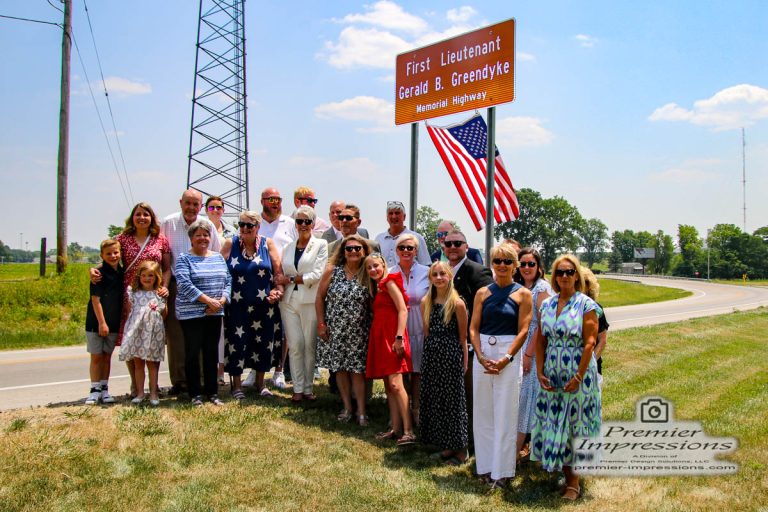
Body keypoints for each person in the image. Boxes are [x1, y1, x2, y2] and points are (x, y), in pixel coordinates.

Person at [531, 255, 601, 501]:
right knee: (554, 422)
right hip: (552, 373)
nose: (564, 276)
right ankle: (564, 473)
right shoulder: (547, 305)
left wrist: (579, 375)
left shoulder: (586, 305)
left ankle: (574, 483)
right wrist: (539, 371)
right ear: (554, 276)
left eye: (569, 272)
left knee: (574, 424)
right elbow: (540, 340)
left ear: (577, 275)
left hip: (578, 374)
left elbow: (590, 343)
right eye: (560, 272)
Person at [91, 202, 172, 397]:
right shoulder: (122, 238)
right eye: (138, 214)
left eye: (146, 214)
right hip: (130, 296)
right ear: (132, 217)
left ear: (152, 217)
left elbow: (167, 268)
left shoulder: (160, 240)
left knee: (151, 338)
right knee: (131, 338)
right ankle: (136, 386)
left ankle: (154, 387)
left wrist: (164, 288)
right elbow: (108, 256)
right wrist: (92, 270)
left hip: (153, 296)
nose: (142, 218)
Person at [469, 243, 532, 488]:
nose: (502, 266)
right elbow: (473, 327)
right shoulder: (483, 293)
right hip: (483, 352)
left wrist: (507, 358)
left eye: (507, 262)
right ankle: (484, 468)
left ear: (515, 265)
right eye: (497, 261)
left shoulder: (522, 294)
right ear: (492, 264)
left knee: (505, 414)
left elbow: (524, 329)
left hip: (508, 354)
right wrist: (480, 354)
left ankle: (503, 472)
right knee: (483, 412)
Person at [162, 189, 221, 395]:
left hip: (206, 287)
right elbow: (163, 254)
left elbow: (216, 255)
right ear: (181, 203)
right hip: (177, 285)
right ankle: (180, 381)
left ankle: (203, 382)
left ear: (201, 206)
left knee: (202, 337)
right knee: (177, 336)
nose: (191, 208)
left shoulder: (208, 226)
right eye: (188, 203)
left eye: (196, 204)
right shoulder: (168, 223)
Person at [220, 211, 285, 399]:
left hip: (265, 306)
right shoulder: (229, 244)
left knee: (264, 342)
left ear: (258, 227)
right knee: (237, 343)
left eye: (250, 225)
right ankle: (237, 386)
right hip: (237, 307)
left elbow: (278, 273)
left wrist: (278, 290)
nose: (245, 229)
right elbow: (218, 270)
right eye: (242, 225)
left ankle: (260, 383)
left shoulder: (268, 244)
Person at [315, 234, 372, 425]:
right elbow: (319, 298)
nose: (353, 251)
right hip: (335, 329)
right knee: (339, 369)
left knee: (357, 371)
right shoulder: (332, 271)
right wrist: (321, 323)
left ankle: (362, 411)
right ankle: (347, 407)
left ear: (364, 251)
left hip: (360, 331)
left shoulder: (368, 272)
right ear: (343, 251)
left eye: (357, 248)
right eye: (349, 248)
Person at [443, 229, 493, 445]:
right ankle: (453, 438)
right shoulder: (441, 271)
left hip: (468, 344)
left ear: (466, 246)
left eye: (457, 243)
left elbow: (485, 308)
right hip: (445, 341)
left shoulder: (478, 272)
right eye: (448, 244)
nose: (452, 247)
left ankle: (472, 442)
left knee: (469, 395)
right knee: (451, 394)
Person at [274, 205, 328, 401]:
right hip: (289, 301)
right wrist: (287, 281)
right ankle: (297, 388)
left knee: (308, 344)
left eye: (307, 221)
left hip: (310, 301)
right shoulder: (288, 247)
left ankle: (307, 388)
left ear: (313, 224)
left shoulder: (320, 245)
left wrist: (290, 279)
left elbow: (316, 275)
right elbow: (281, 272)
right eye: (299, 221)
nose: (303, 225)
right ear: (295, 224)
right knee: (295, 344)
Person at [174, 220, 231, 406]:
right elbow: (184, 284)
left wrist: (222, 300)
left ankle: (212, 392)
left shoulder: (218, 257)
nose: (202, 238)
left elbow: (228, 280)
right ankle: (195, 394)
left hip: (215, 313)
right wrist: (208, 301)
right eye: (198, 235)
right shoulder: (184, 258)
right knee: (192, 353)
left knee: (211, 353)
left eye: (206, 235)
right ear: (191, 238)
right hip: (192, 314)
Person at [419, 261, 469, 465]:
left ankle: (462, 450)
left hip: (451, 356)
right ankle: (446, 445)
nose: (439, 277)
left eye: (442, 274)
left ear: (449, 276)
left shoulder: (457, 304)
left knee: (454, 403)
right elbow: (426, 332)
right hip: (432, 355)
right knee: (437, 400)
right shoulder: (426, 302)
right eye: (435, 274)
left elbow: (463, 337)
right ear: (430, 278)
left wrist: (464, 362)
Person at [363, 252, 415, 445]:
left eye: (376, 265)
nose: (373, 270)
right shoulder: (377, 287)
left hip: (394, 338)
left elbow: (402, 309)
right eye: (369, 268)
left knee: (396, 385)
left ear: (384, 265)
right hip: (380, 338)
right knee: (388, 387)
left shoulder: (389, 283)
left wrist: (399, 337)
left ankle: (409, 431)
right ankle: (395, 428)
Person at [514, 247, 553, 462]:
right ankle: (523, 451)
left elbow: (542, 324)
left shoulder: (542, 288)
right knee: (521, 400)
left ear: (539, 267)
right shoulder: (519, 286)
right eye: (523, 264)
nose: (527, 267)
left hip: (534, 349)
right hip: (518, 344)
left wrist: (528, 354)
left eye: (531, 264)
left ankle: (518, 454)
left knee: (528, 401)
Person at [255, 187, 296, 389]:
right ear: (262, 201)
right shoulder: (254, 222)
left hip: (285, 282)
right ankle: (256, 369)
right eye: (271, 199)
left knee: (284, 328)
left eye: (278, 199)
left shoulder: (290, 223)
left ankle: (279, 370)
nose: (275, 203)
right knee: (258, 325)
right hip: (258, 282)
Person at [389, 233, 429, 425]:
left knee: (417, 372)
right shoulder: (389, 272)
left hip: (420, 325)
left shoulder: (426, 272)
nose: (406, 251)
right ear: (396, 251)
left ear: (416, 251)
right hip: (398, 328)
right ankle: (400, 411)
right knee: (399, 370)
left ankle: (417, 410)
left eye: (410, 248)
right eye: (401, 248)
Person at [119, 260, 167, 406]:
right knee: (138, 364)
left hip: (153, 332)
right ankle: (140, 393)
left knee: (152, 364)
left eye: (151, 275)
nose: (147, 278)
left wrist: (154, 317)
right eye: (144, 275)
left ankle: (153, 393)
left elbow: (164, 313)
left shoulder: (160, 293)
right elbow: (129, 312)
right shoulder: (133, 292)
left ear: (156, 277)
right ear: (139, 276)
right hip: (137, 332)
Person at [84, 239, 123, 405]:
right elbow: (95, 300)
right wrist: (102, 323)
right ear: (102, 255)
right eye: (108, 253)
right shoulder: (98, 274)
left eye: (115, 252)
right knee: (96, 357)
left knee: (107, 357)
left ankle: (104, 388)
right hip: (96, 322)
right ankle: (94, 390)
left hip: (114, 321)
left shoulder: (122, 272)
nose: (113, 256)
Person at [205, 195, 235, 386]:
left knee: (224, 331)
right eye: (211, 207)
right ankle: (206, 370)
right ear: (205, 209)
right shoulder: (201, 228)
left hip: (226, 282)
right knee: (208, 331)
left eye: (219, 207)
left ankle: (221, 372)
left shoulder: (232, 231)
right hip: (206, 283)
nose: (215, 210)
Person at [374, 200, 430, 267]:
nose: (394, 216)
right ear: (387, 218)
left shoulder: (417, 238)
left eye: (397, 213)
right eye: (390, 213)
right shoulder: (379, 239)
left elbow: (426, 266)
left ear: (404, 217)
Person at [582, 267, 608, 391]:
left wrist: (589, 363)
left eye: (583, 283)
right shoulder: (563, 308)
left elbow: (602, 340)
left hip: (592, 370)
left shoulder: (595, 308)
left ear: (589, 287)